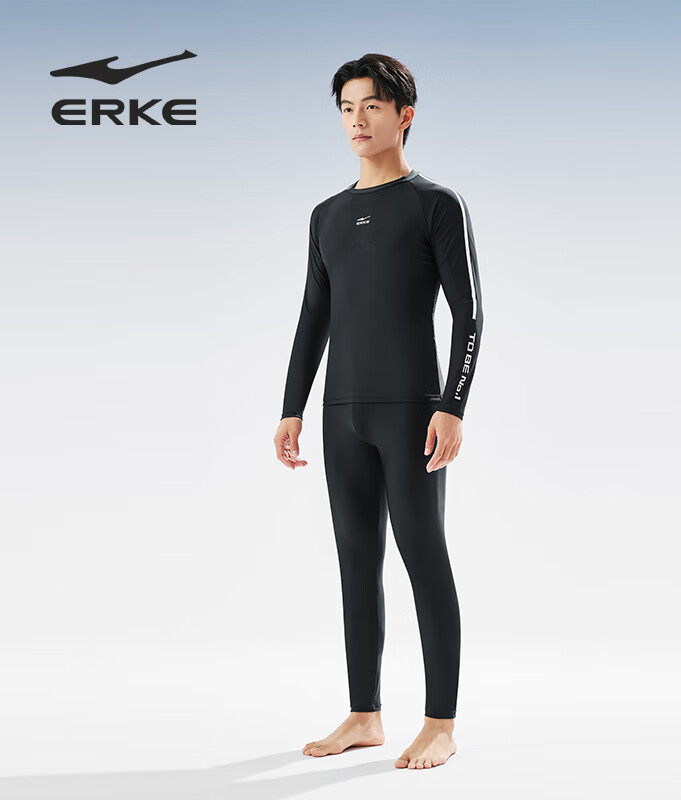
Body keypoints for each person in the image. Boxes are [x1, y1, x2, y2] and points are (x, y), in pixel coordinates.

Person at [274, 53, 484, 770]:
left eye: (372, 105)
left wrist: (452, 406)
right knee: (356, 564)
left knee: (424, 557)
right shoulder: (327, 215)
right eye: (346, 107)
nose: (357, 120)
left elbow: (469, 314)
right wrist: (292, 407)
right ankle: (364, 715)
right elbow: (314, 316)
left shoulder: (435, 204)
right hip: (342, 413)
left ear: (404, 115)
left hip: (411, 413)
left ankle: (441, 723)